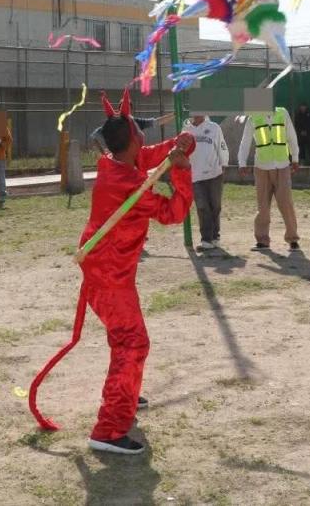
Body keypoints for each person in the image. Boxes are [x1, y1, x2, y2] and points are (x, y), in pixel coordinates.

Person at [81, 90, 194, 454]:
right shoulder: (129, 185)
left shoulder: (115, 165)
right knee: (133, 342)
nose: (144, 138)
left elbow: (145, 156)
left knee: (124, 340)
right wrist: (182, 172)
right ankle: (109, 429)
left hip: (105, 273)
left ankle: (124, 393)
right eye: (139, 132)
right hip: (111, 277)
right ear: (133, 138)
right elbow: (172, 212)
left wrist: (178, 143)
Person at [238, 105, 301, 251]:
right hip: (262, 167)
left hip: (282, 165)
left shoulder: (282, 112)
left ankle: (293, 239)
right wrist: (242, 162)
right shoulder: (252, 117)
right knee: (263, 206)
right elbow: (245, 141)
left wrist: (295, 157)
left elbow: (291, 135)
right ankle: (262, 240)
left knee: (286, 203)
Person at [183, 114, 229, 251]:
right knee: (202, 207)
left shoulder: (214, 127)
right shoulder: (186, 129)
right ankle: (206, 239)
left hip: (214, 173)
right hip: (195, 175)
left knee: (215, 206)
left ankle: (215, 236)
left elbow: (222, 146)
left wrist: (224, 163)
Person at [90, 113, 174, 155]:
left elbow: (156, 122)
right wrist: (102, 153)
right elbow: (94, 136)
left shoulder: (136, 122)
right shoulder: (113, 126)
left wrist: (175, 114)